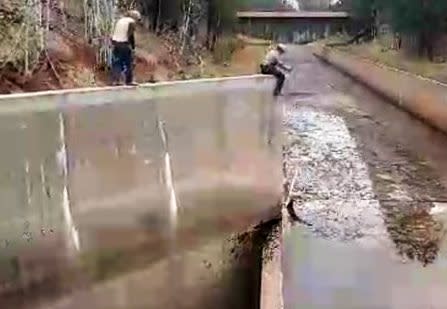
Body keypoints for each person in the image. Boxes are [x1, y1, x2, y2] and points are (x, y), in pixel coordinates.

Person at [110, 10, 141, 86]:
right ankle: (129, 80)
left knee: (117, 62)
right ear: (135, 17)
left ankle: (116, 80)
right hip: (124, 44)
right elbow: (130, 35)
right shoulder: (131, 22)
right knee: (128, 62)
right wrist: (133, 47)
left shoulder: (120, 20)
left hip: (115, 43)